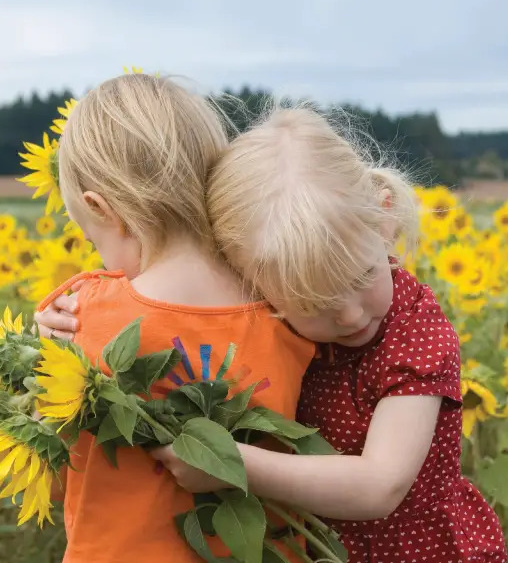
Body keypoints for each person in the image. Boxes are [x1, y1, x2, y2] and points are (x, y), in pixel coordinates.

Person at [36, 75, 314, 563]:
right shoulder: (288, 308)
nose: (100, 260)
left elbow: (55, 470)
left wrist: (49, 359)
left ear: (103, 209)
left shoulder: (80, 315)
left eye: (92, 238)